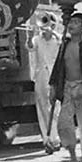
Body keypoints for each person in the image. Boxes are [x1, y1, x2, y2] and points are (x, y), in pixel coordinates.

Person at [47, 9, 82, 162]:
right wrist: (53, 87)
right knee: (63, 123)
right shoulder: (64, 45)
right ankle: (72, 156)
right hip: (68, 87)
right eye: (71, 22)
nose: (72, 25)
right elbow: (57, 68)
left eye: (76, 23)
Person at [29, 12, 63, 153]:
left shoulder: (58, 38)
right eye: (44, 22)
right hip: (42, 75)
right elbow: (30, 47)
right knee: (43, 107)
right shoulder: (37, 39)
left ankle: (56, 137)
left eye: (49, 22)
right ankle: (48, 139)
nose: (46, 25)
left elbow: (63, 46)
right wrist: (30, 35)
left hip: (56, 75)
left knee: (56, 107)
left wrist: (53, 33)